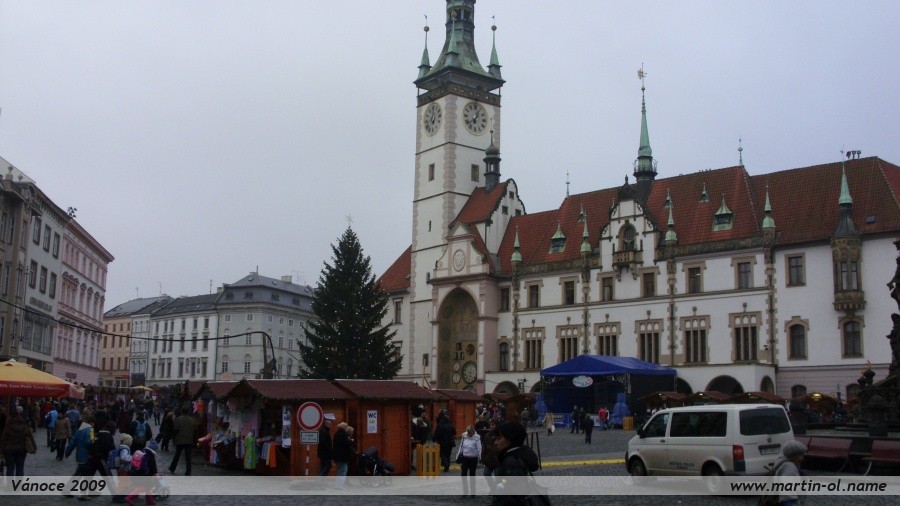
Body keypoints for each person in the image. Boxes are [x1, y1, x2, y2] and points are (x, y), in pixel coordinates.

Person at [492, 421, 540, 506]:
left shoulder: (512, 463)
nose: (495, 442)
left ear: (510, 439)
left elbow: (513, 498)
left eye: (499, 438)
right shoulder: (518, 457)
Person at [65, 414, 97, 500]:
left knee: (78, 474)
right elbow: (89, 442)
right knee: (86, 476)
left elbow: (72, 442)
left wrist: (67, 452)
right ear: (92, 422)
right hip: (87, 456)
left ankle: (67, 489)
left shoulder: (79, 430)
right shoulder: (91, 430)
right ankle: (83, 495)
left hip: (80, 456)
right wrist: (95, 439)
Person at [0, 406, 36, 478]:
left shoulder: (8, 428)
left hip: (9, 449)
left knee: (10, 468)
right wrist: (34, 447)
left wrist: (1, 452)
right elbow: (31, 437)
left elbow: (3, 440)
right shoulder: (25, 427)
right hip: (21, 449)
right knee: (20, 468)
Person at [773, 440, 807, 506]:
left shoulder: (783, 463)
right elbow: (788, 495)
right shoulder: (790, 469)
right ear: (793, 455)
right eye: (800, 455)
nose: (802, 458)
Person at [457, 425, 482, 498]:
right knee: (463, 475)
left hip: (473, 459)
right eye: (467, 432)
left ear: (472, 432)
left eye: (469, 432)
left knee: (472, 475)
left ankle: (473, 493)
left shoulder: (477, 438)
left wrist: (480, 458)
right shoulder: (464, 437)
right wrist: (458, 455)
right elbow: (461, 447)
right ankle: (465, 492)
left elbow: (479, 449)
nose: (468, 433)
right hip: (465, 458)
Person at [168, 408, 195, 475]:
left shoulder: (179, 419)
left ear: (182, 412)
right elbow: (193, 429)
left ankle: (172, 467)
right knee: (188, 457)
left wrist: (173, 438)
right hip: (189, 440)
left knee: (177, 454)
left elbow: (176, 429)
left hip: (180, 439)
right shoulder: (191, 420)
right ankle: (188, 471)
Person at [480, 420, 501, 494]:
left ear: (497, 426)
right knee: (486, 473)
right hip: (489, 458)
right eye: (491, 425)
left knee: (498, 476)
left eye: (493, 425)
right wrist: (482, 457)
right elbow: (484, 447)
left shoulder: (500, 435)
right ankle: (493, 488)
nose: (491, 426)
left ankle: (496, 490)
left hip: (498, 459)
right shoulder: (487, 435)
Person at [112, 434, 134, 503]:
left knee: (125, 482)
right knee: (122, 483)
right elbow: (124, 458)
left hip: (123, 469)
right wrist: (132, 458)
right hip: (123, 469)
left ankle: (124, 494)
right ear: (128, 442)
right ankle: (118, 497)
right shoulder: (125, 449)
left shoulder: (122, 448)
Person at [332, 422, 352, 490]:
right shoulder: (343, 435)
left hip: (337, 456)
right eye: (346, 427)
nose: (347, 428)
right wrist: (351, 441)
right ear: (344, 428)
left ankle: (337, 485)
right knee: (343, 470)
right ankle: (339, 486)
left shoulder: (336, 434)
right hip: (342, 456)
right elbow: (346, 443)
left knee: (340, 470)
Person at [317, 413, 334, 481]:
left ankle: (321, 481)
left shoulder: (324, 430)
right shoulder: (324, 431)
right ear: (326, 424)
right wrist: (329, 450)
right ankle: (320, 480)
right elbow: (323, 443)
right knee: (328, 465)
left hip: (323, 453)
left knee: (324, 466)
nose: (330, 425)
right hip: (325, 453)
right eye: (329, 424)